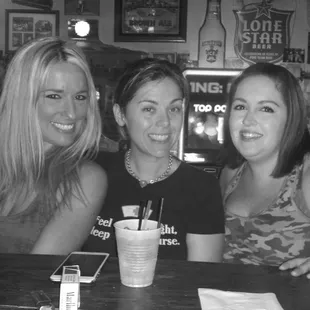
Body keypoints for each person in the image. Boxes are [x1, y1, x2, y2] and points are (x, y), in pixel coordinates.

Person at [82, 58, 225, 262]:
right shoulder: (93, 172)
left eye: (174, 109)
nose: (165, 122)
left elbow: (202, 278)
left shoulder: (202, 188)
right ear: (120, 114)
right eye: (149, 109)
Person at [0, 37, 107, 254]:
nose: (71, 112)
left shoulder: (85, 179)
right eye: (54, 96)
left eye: (80, 97)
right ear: (22, 99)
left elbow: (36, 274)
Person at [220, 62, 310, 277]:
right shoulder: (229, 174)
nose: (248, 120)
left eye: (266, 109)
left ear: (291, 118)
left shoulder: (305, 177)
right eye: (240, 107)